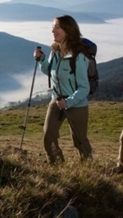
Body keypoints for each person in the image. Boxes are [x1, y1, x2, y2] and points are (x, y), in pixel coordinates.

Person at [33, 15, 93, 164]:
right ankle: (58, 168)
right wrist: (41, 60)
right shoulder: (55, 51)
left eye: (57, 27)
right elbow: (51, 72)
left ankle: (89, 170)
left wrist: (68, 102)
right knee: (49, 137)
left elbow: (85, 87)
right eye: (53, 26)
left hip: (76, 104)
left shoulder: (79, 56)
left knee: (79, 142)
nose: (53, 30)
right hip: (57, 100)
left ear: (68, 30)